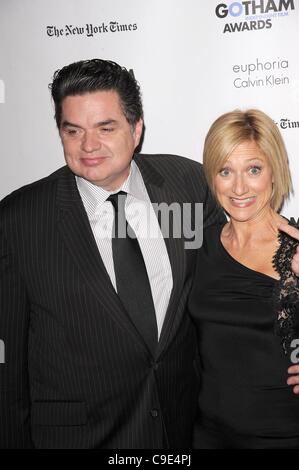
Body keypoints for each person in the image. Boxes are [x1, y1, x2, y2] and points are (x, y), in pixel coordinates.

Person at [0, 59, 225, 449]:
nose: (89, 145)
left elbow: (223, 291)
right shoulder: (20, 220)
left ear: (136, 129)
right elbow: (9, 365)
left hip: (181, 430)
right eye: (73, 131)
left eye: (106, 128)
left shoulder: (185, 187)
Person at [188, 108, 299, 449]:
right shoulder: (198, 244)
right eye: (225, 171)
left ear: (274, 173)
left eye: (253, 169)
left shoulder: (297, 247)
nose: (238, 187)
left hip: (284, 436)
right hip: (208, 435)